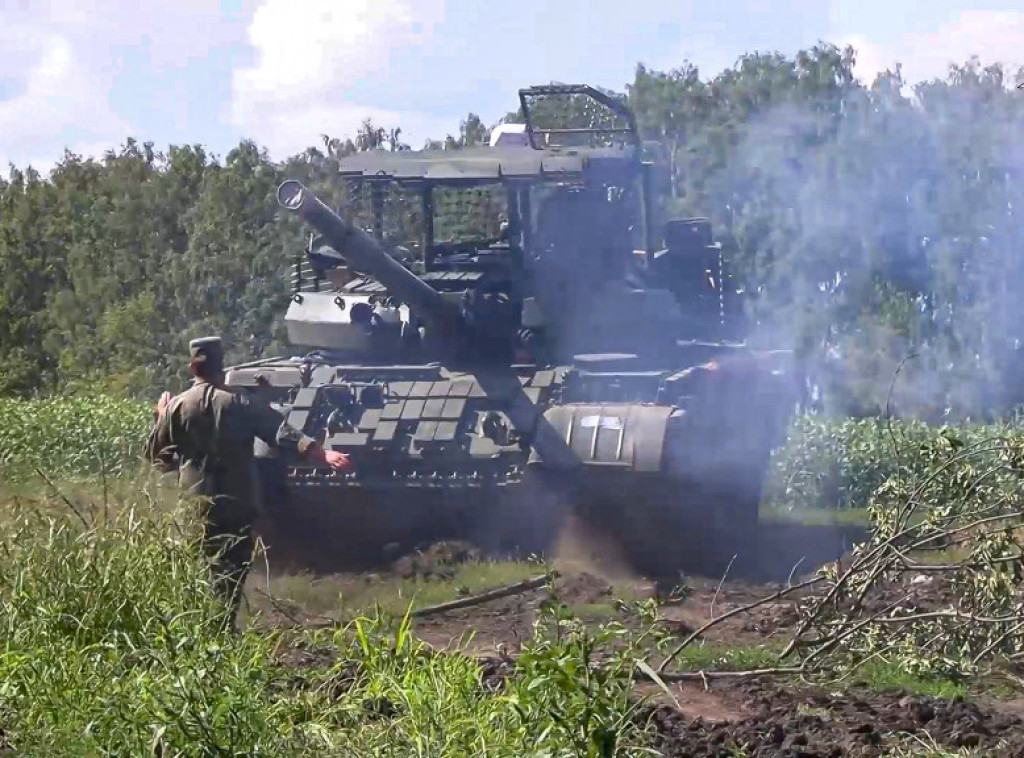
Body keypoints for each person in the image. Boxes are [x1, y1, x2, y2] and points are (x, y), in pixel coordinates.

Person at [146, 336, 351, 627]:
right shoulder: (241, 403)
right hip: (237, 499)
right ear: (221, 365)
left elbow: (157, 458)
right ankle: (223, 624)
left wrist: (160, 418)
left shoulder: (177, 407)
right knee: (232, 567)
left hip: (195, 502)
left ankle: (196, 625)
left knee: (198, 564)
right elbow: (281, 432)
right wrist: (322, 453)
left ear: (193, 368)